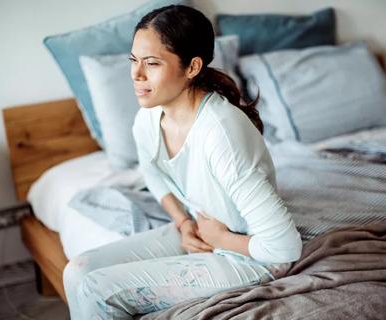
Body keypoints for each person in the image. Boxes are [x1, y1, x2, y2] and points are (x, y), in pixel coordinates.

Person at [63, 5, 302, 319]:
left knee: (96, 290)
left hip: (252, 256)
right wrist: (183, 221)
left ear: (192, 67)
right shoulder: (149, 118)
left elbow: (284, 248)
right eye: (133, 60)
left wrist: (222, 239)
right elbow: (153, 172)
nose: (136, 75)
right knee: (78, 271)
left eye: (152, 63)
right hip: (206, 233)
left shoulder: (220, 132)